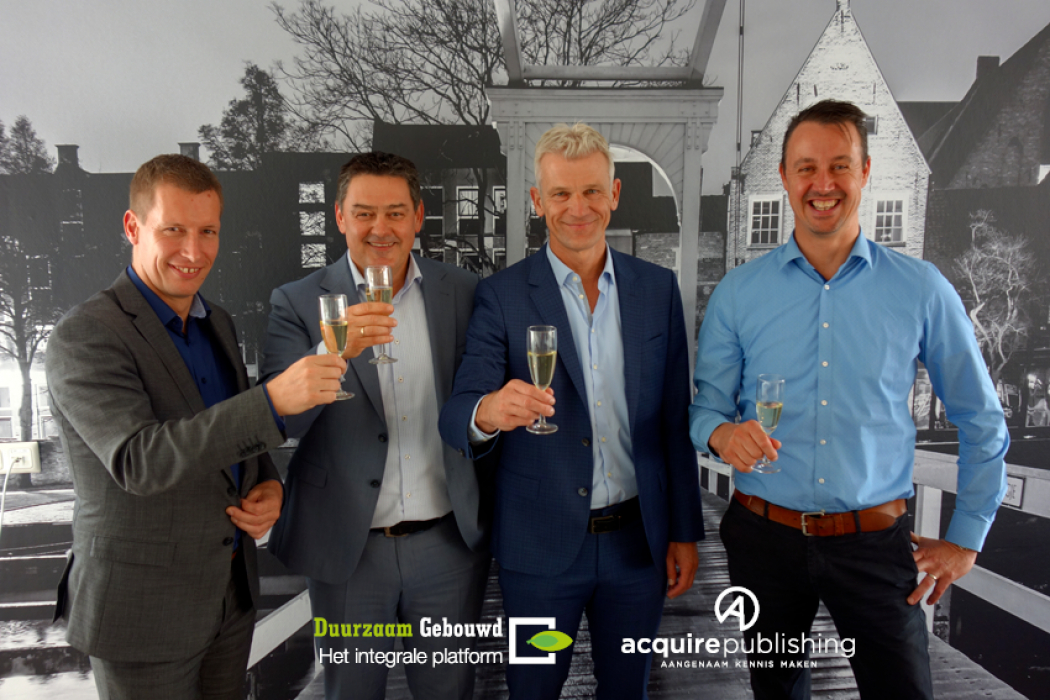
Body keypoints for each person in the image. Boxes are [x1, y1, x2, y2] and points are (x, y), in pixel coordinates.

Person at [689, 99, 1009, 700]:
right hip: (764, 540)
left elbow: (980, 418)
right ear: (784, 176)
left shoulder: (922, 289)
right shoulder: (738, 294)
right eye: (806, 167)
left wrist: (966, 537)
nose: (823, 183)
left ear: (865, 172)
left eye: (840, 165)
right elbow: (705, 409)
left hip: (876, 544)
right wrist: (721, 434)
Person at [45, 154, 346, 699]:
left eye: (208, 231)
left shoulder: (217, 322)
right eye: (174, 230)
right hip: (143, 612)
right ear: (133, 227)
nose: (194, 251)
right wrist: (273, 400)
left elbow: (231, 433)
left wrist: (268, 483)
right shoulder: (86, 334)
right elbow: (139, 460)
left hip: (229, 597)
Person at [439, 123, 703, 699]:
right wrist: (490, 410)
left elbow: (674, 421)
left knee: (627, 693)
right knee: (532, 692)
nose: (577, 208)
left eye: (591, 191)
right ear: (538, 201)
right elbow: (456, 415)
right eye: (561, 193)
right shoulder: (501, 295)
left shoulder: (657, 289)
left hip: (638, 546)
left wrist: (685, 532)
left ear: (614, 194)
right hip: (536, 549)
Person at [260, 152, 489, 700]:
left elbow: (478, 402)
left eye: (395, 213)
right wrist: (333, 351)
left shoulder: (464, 290)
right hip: (347, 549)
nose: (380, 228)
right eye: (364, 213)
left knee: (450, 693)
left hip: (448, 546)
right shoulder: (296, 302)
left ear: (418, 217)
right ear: (340, 217)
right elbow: (282, 420)